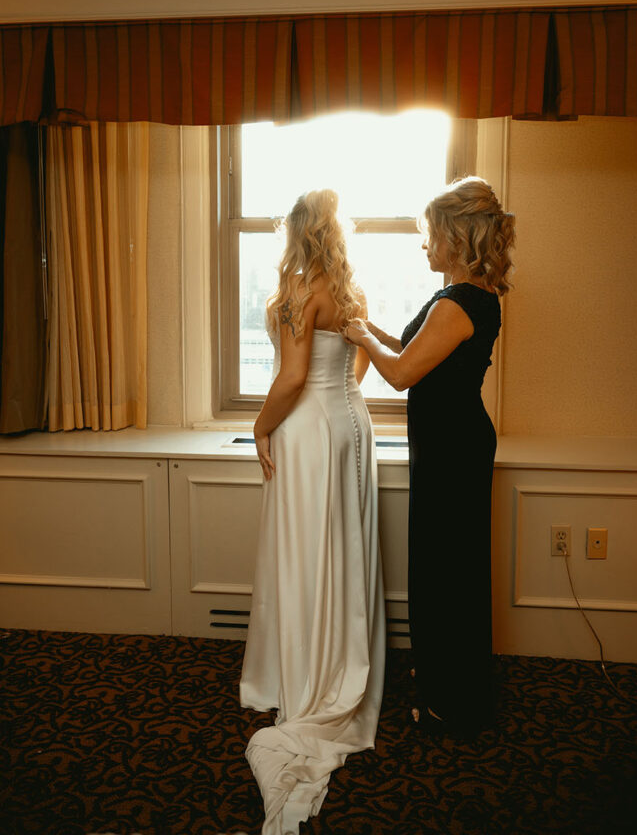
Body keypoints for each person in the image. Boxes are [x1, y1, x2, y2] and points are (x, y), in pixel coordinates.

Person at [344, 176, 515, 740]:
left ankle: (454, 702)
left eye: (431, 234)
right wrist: (366, 327)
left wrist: (359, 338)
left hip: (454, 449)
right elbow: (409, 352)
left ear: (457, 236)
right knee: (447, 563)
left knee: (448, 569)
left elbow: (397, 375)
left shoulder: (459, 303)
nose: (424, 245)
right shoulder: (462, 297)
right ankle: (448, 676)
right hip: (449, 442)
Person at [239, 189, 385, 835]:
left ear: (296, 230)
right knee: (341, 550)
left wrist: (260, 427)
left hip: (309, 428)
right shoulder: (345, 285)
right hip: (349, 423)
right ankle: (339, 662)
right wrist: (343, 395)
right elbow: (356, 361)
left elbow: (293, 377)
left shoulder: (301, 286)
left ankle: (310, 677)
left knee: (309, 554)